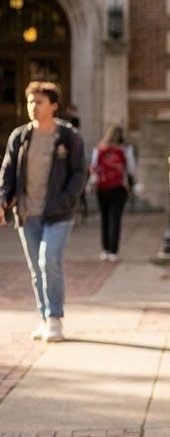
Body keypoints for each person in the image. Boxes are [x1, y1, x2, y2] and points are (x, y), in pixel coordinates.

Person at [0, 81, 87, 343]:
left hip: (58, 213)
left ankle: (55, 318)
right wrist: (2, 199)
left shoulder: (68, 137)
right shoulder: (20, 136)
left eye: (39, 102)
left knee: (49, 260)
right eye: (30, 101)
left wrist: (66, 200)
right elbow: (7, 172)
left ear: (54, 106)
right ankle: (44, 318)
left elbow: (79, 173)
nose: (33, 107)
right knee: (36, 269)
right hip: (28, 213)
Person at [91, 124, 137, 262]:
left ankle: (105, 249)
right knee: (115, 219)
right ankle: (113, 251)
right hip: (119, 187)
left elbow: (93, 167)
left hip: (102, 187)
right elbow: (131, 169)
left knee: (104, 218)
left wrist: (92, 183)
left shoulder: (99, 149)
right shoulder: (126, 149)